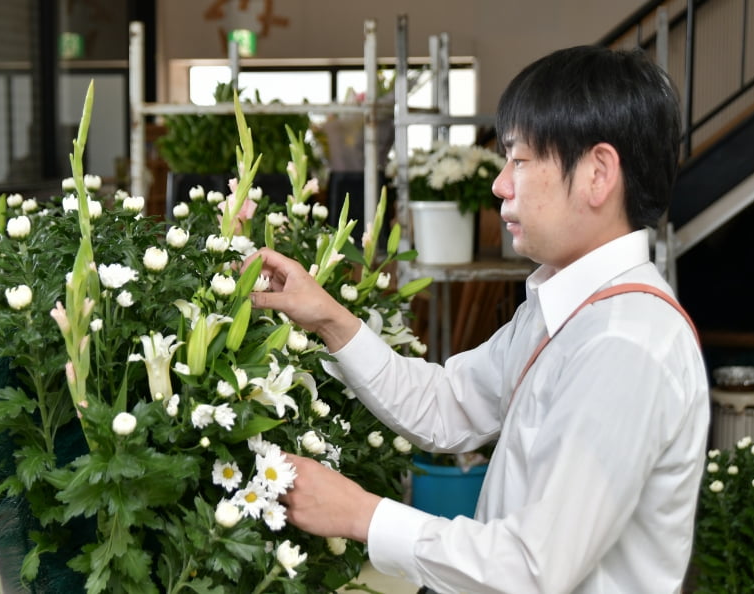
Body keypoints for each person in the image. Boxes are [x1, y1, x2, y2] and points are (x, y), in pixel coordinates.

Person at [246, 45, 710, 594]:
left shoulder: (625, 345)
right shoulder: (571, 309)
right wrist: (327, 317)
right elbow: (446, 404)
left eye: (521, 160)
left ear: (597, 173)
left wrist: (361, 515)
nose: (500, 184)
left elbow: (533, 570)